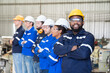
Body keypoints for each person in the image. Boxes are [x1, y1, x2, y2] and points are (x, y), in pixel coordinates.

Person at [54, 9, 95, 73]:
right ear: (70, 22)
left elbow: (84, 54)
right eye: (73, 20)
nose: (75, 22)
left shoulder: (88, 36)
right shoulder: (65, 36)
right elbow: (56, 49)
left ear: (83, 22)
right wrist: (72, 48)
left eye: (78, 20)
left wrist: (65, 53)